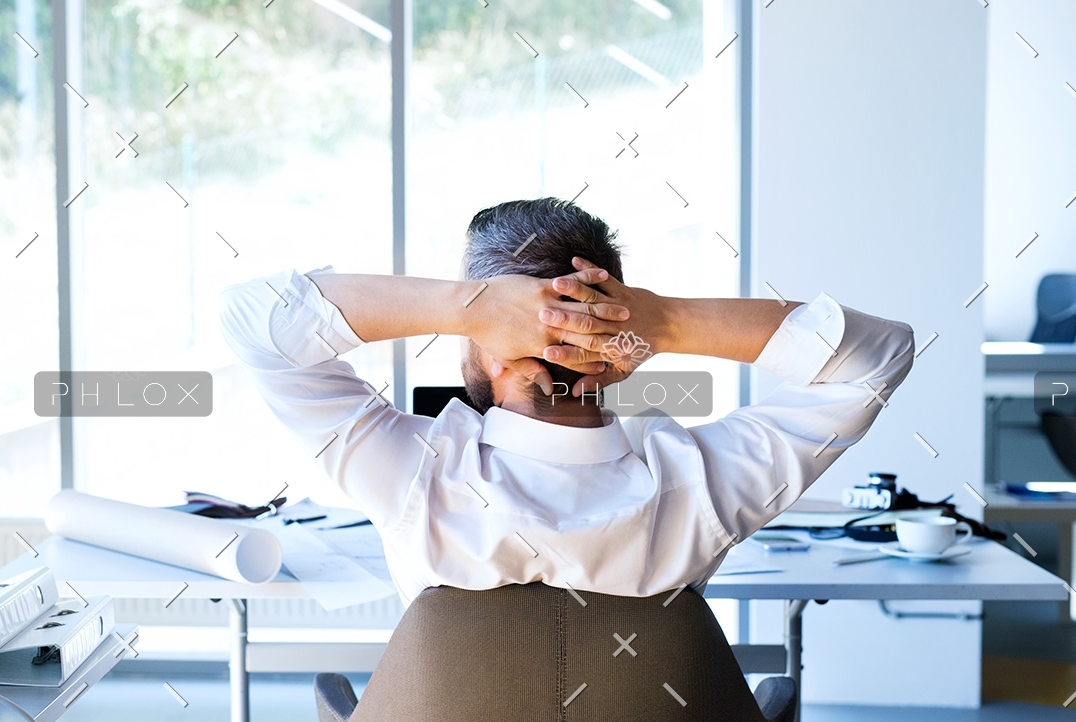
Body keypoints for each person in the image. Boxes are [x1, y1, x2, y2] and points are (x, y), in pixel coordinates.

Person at [219, 198, 914, 607]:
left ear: (486, 340)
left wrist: (470, 307)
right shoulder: (706, 483)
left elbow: (254, 319)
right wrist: (659, 320)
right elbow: (880, 356)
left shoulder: (410, 474)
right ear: (620, 346)